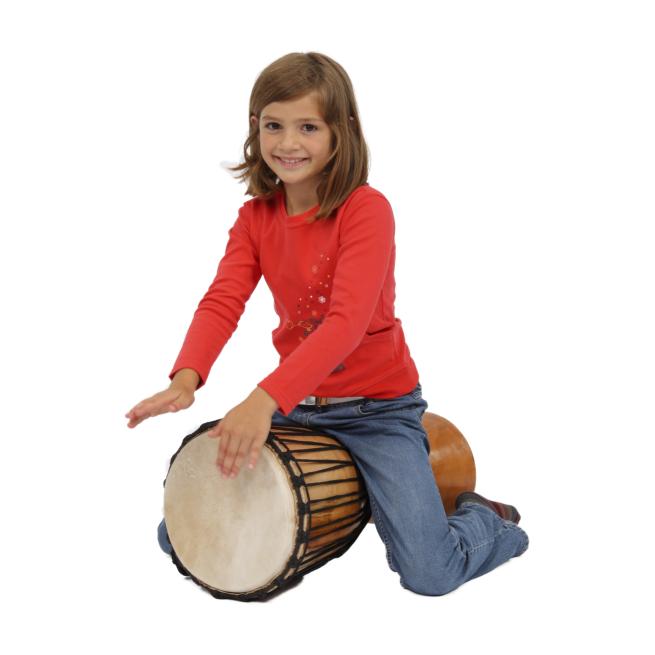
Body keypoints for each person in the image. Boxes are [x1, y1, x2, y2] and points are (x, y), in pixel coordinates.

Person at [125, 51, 529, 596]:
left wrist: (262, 400)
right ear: (255, 128)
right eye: (274, 125)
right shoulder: (255, 219)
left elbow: (346, 323)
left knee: (429, 574)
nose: (288, 143)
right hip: (299, 409)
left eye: (308, 127)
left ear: (342, 131)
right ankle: (367, 494)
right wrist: (186, 378)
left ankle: (486, 520)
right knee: (178, 538)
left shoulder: (366, 209)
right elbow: (222, 300)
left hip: (377, 410)